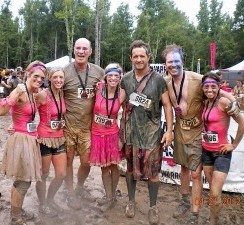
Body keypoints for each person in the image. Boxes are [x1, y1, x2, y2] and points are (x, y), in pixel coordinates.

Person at [162, 44, 239, 225]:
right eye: (169, 62)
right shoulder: (165, 82)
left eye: (176, 61)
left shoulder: (197, 79)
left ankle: (195, 211)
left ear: (182, 61)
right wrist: (170, 131)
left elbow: (217, 90)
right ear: (165, 64)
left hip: (198, 132)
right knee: (183, 168)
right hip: (180, 130)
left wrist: (234, 101)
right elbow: (167, 106)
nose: (173, 65)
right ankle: (183, 202)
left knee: (196, 174)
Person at [120, 40, 173, 225]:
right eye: (135, 56)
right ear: (130, 58)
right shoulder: (125, 79)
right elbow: (116, 101)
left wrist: (170, 131)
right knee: (130, 170)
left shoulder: (158, 79)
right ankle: (131, 202)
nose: (139, 59)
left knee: (153, 173)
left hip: (152, 134)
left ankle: (153, 206)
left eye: (142, 56)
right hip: (131, 133)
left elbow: (167, 105)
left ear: (148, 57)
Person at [0, 61, 46, 225]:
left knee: (22, 180)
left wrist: (15, 123)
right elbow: (0, 112)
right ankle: (16, 218)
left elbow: (24, 114)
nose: (39, 80)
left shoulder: (34, 92)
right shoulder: (21, 90)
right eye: (36, 76)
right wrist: (13, 96)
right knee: (23, 181)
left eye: (41, 78)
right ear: (27, 74)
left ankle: (16, 211)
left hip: (29, 139)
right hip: (21, 140)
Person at [63, 38, 104, 210]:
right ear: (73, 50)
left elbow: (110, 93)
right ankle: (70, 192)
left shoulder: (99, 72)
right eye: (78, 48)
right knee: (68, 161)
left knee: (86, 163)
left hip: (88, 127)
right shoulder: (64, 72)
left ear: (90, 51)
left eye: (84, 48)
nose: (81, 51)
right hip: (68, 126)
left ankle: (79, 187)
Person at [201, 72, 244, 225]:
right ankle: (213, 217)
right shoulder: (204, 102)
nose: (209, 90)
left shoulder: (224, 102)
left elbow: (243, 124)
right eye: (206, 87)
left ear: (219, 87)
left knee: (214, 193)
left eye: (213, 87)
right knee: (213, 192)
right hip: (206, 151)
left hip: (222, 152)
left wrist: (233, 145)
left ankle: (213, 222)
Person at [89, 63, 123, 212]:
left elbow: (127, 114)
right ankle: (108, 195)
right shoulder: (99, 88)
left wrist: (123, 137)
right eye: (110, 75)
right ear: (106, 77)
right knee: (104, 167)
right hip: (97, 133)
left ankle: (112, 197)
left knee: (114, 166)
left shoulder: (122, 93)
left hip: (113, 134)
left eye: (116, 75)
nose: (113, 78)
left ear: (120, 77)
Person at [35, 67, 67, 216]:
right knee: (44, 174)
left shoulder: (62, 93)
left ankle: (50, 199)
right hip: (44, 139)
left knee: (61, 174)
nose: (58, 80)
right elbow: (29, 110)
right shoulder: (42, 95)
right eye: (55, 77)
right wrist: (17, 125)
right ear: (49, 78)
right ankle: (42, 204)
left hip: (59, 137)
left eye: (61, 77)